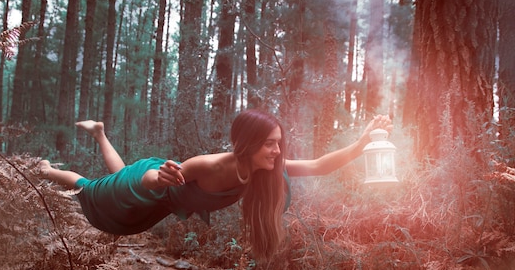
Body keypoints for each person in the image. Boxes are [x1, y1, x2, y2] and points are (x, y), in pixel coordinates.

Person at [38, 109, 392, 260]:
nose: (277, 150)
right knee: (92, 191)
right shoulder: (210, 165)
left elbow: (318, 165)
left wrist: (363, 144)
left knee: (118, 178)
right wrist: (156, 177)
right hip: (150, 183)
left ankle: (100, 132)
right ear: (249, 144)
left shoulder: (262, 169)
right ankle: (46, 169)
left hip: (158, 202)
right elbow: (160, 177)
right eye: (270, 143)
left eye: (278, 142)